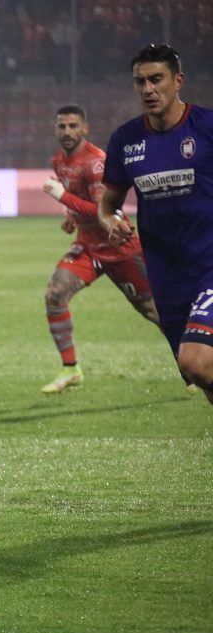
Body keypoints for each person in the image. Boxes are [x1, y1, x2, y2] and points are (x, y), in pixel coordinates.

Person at [99, 44, 213, 404]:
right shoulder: (126, 140)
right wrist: (111, 221)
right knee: (203, 377)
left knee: (195, 361)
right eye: (140, 82)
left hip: (209, 265)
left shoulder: (207, 127)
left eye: (156, 79)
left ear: (178, 81)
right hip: (166, 276)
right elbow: (108, 206)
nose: (148, 89)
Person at [40, 104, 160, 393]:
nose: (67, 132)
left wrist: (63, 197)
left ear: (85, 128)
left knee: (152, 311)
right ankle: (71, 369)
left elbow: (102, 210)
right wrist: (71, 218)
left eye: (73, 126)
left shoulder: (95, 163)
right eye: (62, 126)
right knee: (54, 295)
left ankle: (193, 359)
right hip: (88, 245)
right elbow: (82, 205)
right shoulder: (59, 160)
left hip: (119, 246)